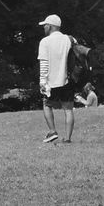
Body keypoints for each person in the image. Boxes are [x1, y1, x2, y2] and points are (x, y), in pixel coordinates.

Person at [37, 13, 75, 143]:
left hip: (51, 81)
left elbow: (44, 63)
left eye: (45, 25)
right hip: (68, 80)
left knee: (47, 105)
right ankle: (68, 138)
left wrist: (42, 81)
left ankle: (52, 131)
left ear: (51, 26)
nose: (44, 28)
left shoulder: (45, 42)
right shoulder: (70, 39)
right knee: (68, 109)